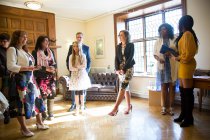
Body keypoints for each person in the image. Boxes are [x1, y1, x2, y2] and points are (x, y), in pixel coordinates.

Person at [7, 30, 49, 137]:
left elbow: (31, 65)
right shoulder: (12, 49)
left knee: (37, 100)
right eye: (23, 37)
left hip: (30, 79)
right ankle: (24, 128)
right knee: (20, 104)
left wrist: (36, 68)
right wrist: (29, 68)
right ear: (16, 37)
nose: (26, 38)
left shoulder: (26, 51)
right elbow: (11, 66)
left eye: (26, 36)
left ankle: (39, 123)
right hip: (20, 81)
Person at [172, 15, 198, 127]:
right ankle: (183, 115)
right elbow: (184, 53)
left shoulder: (187, 34)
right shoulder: (184, 35)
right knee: (183, 93)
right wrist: (175, 55)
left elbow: (187, 56)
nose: (177, 25)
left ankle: (189, 118)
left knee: (187, 93)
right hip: (183, 65)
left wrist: (177, 58)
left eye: (179, 22)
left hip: (187, 65)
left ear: (182, 23)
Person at [108, 30, 135, 116]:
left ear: (126, 36)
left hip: (129, 68)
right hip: (120, 70)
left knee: (123, 87)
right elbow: (116, 58)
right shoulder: (118, 46)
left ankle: (115, 108)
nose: (119, 36)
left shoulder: (131, 45)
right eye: (119, 35)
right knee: (126, 88)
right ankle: (129, 106)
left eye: (121, 35)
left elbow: (130, 57)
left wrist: (124, 68)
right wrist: (117, 69)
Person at [153, 23, 178, 115]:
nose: (163, 31)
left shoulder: (174, 39)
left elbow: (178, 53)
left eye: (165, 29)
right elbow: (155, 54)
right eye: (161, 29)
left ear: (169, 30)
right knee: (164, 87)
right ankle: (164, 107)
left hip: (172, 66)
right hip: (162, 67)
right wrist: (159, 59)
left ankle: (171, 107)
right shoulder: (158, 41)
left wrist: (170, 53)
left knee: (172, 87)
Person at [32, 35, 57, 121]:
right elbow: (35, 67)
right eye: (44, 41)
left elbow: (54, 63)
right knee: (43, 97)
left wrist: (53, 68)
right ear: (40, 43)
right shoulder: (35, 52)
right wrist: (46, 69)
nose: (47, 43)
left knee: (51, 95)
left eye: (47, 41)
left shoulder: (51, 52)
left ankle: (51, 113)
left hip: (50, 78)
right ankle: (44, 114)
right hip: (40, 78)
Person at [66, 32, 91, 112]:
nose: (79, 38)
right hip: (74, 73)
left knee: (83, 90)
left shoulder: (86, 48)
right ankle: (74, 105)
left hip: (83, 73)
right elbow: (68, 60)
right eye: (77, 37)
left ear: (82, 38)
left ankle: (83, 105)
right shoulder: (71, 47)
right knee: (75, 90)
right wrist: (72, 70)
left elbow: (89, 61)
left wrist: (86, 71)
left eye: (80, 37)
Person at [0, 33, 10, 124]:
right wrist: (9, 72)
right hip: (4, 75)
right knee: (4, 95)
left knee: (11, 94)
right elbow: (0, 66)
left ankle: (10, 112)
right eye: (2, 41)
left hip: (12, 75)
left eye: (5, 41)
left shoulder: (10, 50)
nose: (3, 43)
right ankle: (6, 113)